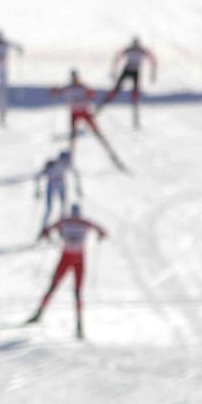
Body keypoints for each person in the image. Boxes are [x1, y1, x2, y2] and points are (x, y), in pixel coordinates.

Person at [26, 204, 107, 339]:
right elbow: (47, 230)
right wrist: (47, 235)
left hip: (78, 260)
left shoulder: (80, 223)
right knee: (53, 287)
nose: (75, 219)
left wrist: (100, 235)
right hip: (66, 259)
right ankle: (39, 314)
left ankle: (79, 325)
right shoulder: (68, 222)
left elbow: (103, 231)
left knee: (77, 292)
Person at [50, 69, 126, 171]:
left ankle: (111, 154)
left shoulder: (83, 88)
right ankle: (70, 159)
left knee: (97, 133)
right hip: (75, 114)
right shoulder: (68, 88)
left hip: (85, 113)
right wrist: (54, 91)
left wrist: (87, 93)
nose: (74, 80)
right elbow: (56, 92)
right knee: (72, 137)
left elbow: (92, 94)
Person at [97, 37, 158, 128]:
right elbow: (118, 57)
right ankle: (101, 107)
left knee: (135, 93)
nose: (135, 48)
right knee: (116, 90)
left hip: (135, 73)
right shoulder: (129, 50)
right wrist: (114, 71)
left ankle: (136, 118)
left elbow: (152, 59)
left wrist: (153, 72)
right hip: (127, 70)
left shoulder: (142, 51)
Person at [35, 149, 81, 232]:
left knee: (63, 207)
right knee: (49, 208)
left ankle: (61, 227)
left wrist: (78, 187)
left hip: (62, 185)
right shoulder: (51, 165)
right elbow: (38, 176)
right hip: (51, 185)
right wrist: (37, 190)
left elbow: (76, 174)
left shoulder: (67, 165)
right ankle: (44, 228)